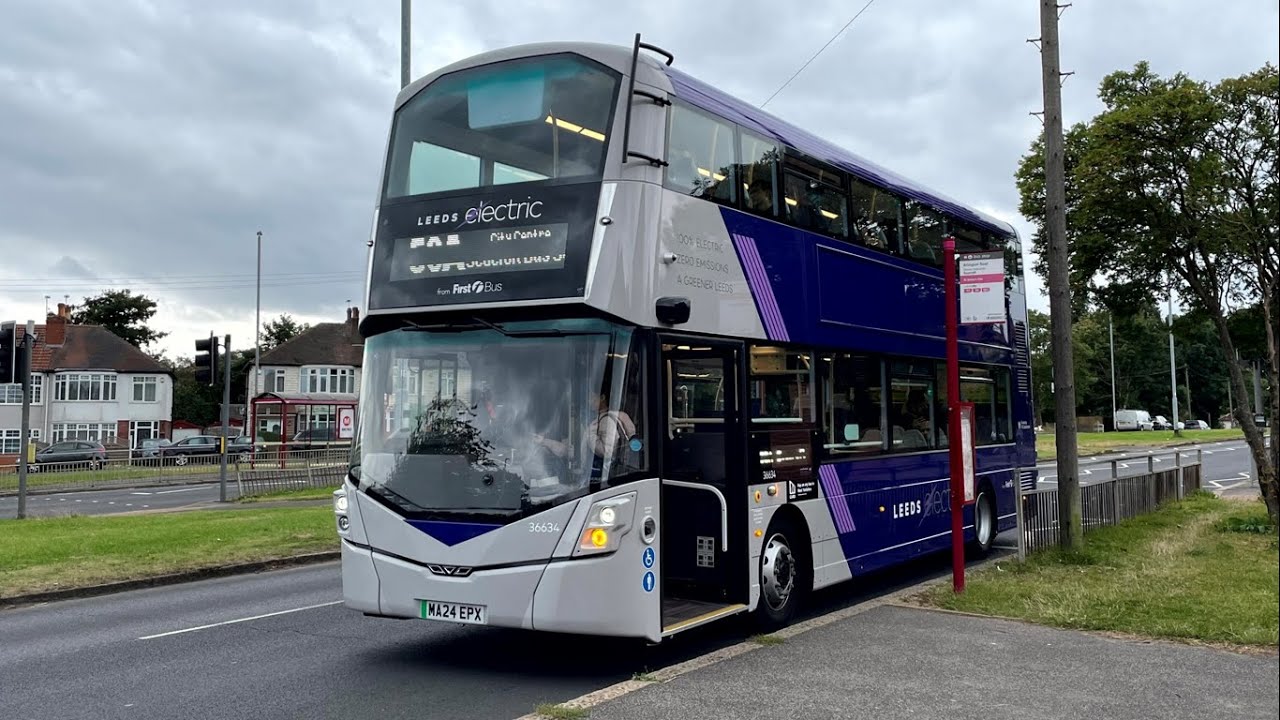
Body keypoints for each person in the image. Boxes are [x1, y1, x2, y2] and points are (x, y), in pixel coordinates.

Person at [533, 389, 636, 481]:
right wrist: (545, 442)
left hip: (602, 480)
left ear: (602, 397)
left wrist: (590, 434)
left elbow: (607, 451)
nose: (588, 401)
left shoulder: (604, 421)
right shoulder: (621, 416)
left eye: (591, 397)